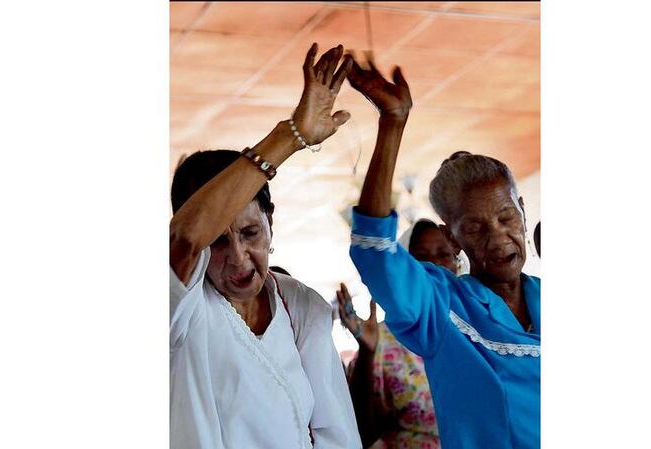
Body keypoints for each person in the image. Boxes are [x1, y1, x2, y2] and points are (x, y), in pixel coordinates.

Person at [169, 43, 361, 449]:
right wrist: (291, 136)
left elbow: (336, 432)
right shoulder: (182, 309)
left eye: (251, 234)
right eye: (217, 241)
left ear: (271, 224)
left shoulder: (301, 305)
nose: (238, 257)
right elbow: (185, 237)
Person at [345, 55, 540, 449]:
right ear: (453, 238)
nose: (499, 237)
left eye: (506, 217)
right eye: (475, 227)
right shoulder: (444, 308)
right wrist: (392, 123)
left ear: (523, 211)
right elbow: (376, 251)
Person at [337, 219, 460, 449]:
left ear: (458, 264)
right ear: (406, 269)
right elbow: (360, 433)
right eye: (421, 257)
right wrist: (367, 351)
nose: (433, 265)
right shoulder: (381, 339)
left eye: (444, 254)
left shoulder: (475, 333)